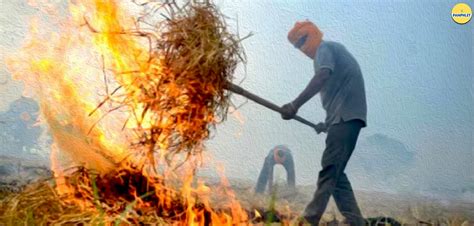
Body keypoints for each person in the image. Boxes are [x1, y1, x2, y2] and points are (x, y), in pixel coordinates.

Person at [280, 20, 367, 226]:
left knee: (329, 169)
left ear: (313, 34)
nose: (302, 47)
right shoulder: (331, 50)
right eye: (297, 45)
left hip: (345, 119)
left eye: (303, 41)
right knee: (336, 174)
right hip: (345, 119)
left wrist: (295, 105)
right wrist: (326, 124)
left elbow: (322, 76)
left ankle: (309, 219)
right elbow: (339, 91)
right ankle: (355, 221)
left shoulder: (324, 49)